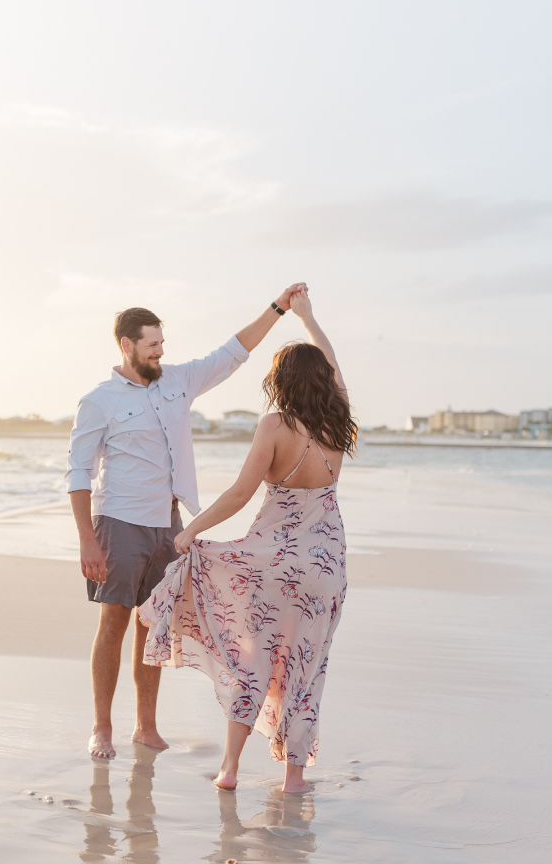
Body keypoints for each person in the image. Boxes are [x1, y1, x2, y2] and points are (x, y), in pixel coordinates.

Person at [67, 287, 305, 761]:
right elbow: (77, 473)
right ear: (126, 346)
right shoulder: (99, 400)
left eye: (162, 343)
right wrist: (87, 542)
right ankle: (101, 728)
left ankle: (146, 726)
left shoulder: (179, 380)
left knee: (152, 626)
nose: (160, 351)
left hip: (168, 525)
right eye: (151, 344)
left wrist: (277, 309)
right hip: (117, 522)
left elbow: (234, 352)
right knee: (113, 624)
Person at [144, 285, 350, 795]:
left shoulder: (275, 425)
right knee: (306, 665)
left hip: (271, 563)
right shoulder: (337, 419)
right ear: (323, 380)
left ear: (279, 380)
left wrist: (192, 529)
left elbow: (240, 494)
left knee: (254, 659)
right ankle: (294, 777)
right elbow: (333, 364)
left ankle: (231, 767)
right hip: (325, 565)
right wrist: (308, 319)